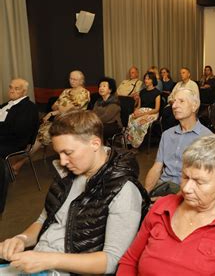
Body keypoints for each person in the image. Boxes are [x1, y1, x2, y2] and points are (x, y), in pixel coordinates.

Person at [0, 110, 149, 275]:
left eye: (68, 153)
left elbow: (111, 261)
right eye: (59, 153)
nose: (62, 161)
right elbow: (45, 220)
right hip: (40, 263)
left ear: (94, 144)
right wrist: (22, 239)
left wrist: (49, 259)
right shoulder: (68, 174)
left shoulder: (124, 190)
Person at [117, 134, 215, 275]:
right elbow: (130, 261)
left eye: (199, 182)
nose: (186, 188)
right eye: (185, 177)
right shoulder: (162, 208)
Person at [144, 88, 213, 196]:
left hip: (188, 192)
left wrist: (171, 201)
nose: (174, 106)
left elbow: (202, 180)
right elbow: (157, 168)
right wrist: (145, 195)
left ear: (194, 106)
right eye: (174, 101)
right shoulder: (167, 135)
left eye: (181, 101)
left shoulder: (207, 138)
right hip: (163, 187)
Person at [0, 78, 39, 213]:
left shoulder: (29, 108)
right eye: (11, 87)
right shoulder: (6, 105)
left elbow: (19, 131)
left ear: (24, 91)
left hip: (15, 143)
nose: (12, 90)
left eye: (16, 88)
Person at [33, 70, 90, 155]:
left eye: (75, 79)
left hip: (74, 121)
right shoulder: (66, 91)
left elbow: (69, 109)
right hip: (60, 119)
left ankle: (23, 159)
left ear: (81, 80)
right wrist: (55, 111)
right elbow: (53, 106)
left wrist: (56, 110)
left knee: (45, 132)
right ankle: (25, 157)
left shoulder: (84, 93)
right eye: (71, 78)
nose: (72, 81)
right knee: (40, 130)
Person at [126, 71, 161, 148]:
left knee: (140, 122)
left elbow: (156, 109)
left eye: (148, 79)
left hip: (152, 112)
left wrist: (141, 114)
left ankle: (138, 144)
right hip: (142, 110)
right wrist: (136, 111)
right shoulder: (142, 92)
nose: (146, 80)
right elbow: (139, 106)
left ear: (153, 80)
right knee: (131, 117)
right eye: (145, 79)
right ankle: (131, 142)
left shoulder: (157, 93)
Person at [93, 77, 122, 143]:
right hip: (100, 124)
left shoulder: (114, 102)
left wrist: (93, 121)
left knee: (95, 129)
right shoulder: (98, 101)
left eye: (104, 86)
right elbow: (93, 113)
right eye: (100, 86)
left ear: (110, 90)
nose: (101, 88)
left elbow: (106, 117)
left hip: (113, 125)